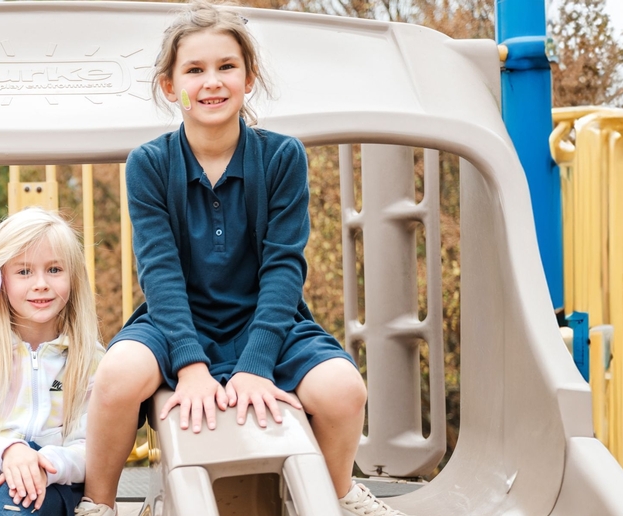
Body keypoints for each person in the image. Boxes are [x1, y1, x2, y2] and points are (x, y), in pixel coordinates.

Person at [74, 3, 403, 515]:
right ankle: (100, 504)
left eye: (227, 67)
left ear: (249, 78)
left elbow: (283, 266)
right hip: (175, 320)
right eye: (194, 70)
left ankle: (336, 494)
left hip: (266, 320)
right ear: (169, 85)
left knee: (344, 390)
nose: (212, 82)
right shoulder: (150, 164)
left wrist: (256, 365)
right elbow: (159, 271)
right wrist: (189, 365)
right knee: (116, 376)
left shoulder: (282, 157)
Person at [0, 207, 105, 516]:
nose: (40, 283)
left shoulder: (89, 357)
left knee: (21, 503)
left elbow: (92, 446)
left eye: (54, 270)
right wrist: (9, 452)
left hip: (52, 483)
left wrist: (45, 465)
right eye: (24, 272)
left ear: (73, 277)